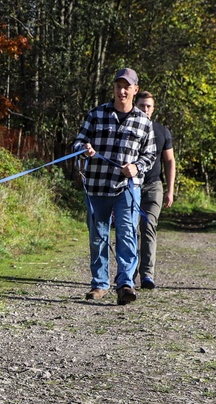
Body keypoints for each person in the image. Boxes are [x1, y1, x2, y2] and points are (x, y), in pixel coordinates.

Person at [73, 68, 157, 305]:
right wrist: (84, 149)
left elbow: (150, 154)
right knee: (98, 236)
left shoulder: (143, 121)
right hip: (96, 186)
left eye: (127, 87)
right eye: (118, 86)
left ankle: (125, 284)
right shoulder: (96, 114)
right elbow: (78, 141)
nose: (122, 91)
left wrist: (137, 167)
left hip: (127, 189)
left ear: (135, 90)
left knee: (127, 235)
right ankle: (99, 284)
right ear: (113, 88)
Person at [134, 91, 176, 289]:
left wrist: (169, 190)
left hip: (153, 185)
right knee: (130, 229)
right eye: (142, 105)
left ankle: (147, 275)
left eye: (149, 106)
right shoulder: (127, 128)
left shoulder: (162, 131)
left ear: (153, 108)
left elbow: (169, 161)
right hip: (131, 185)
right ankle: (128, 274)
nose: (145, 109)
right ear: (136, 105)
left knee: (148, 227)